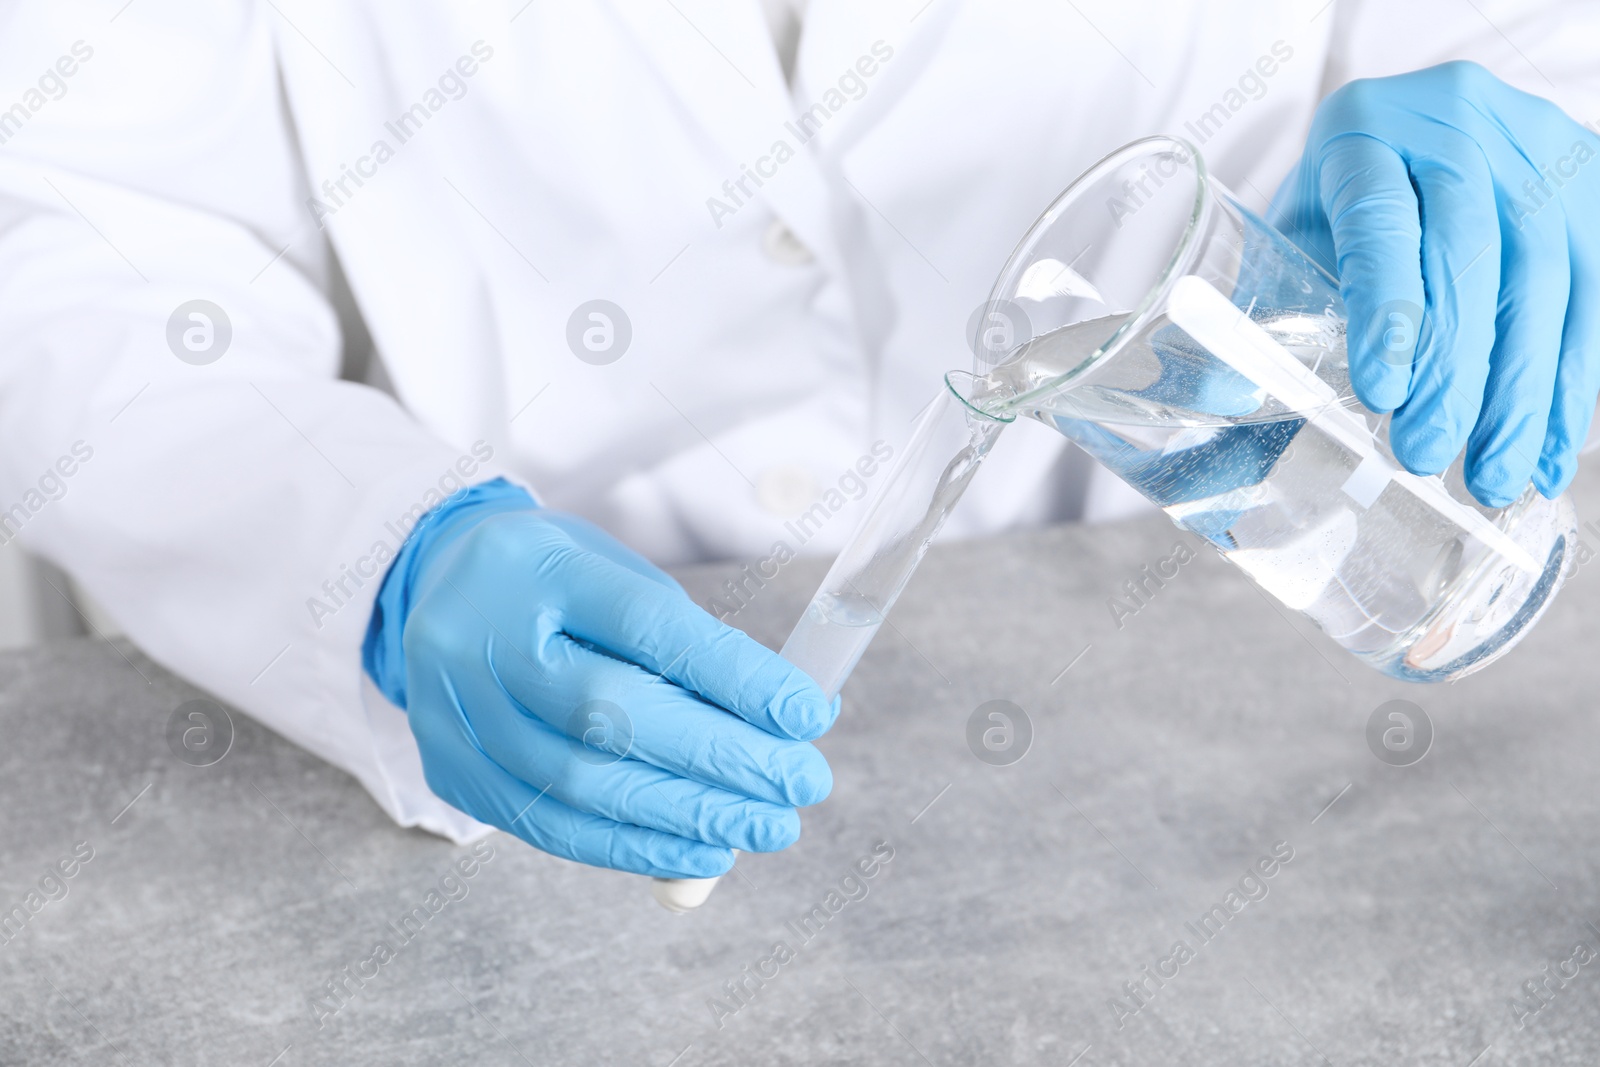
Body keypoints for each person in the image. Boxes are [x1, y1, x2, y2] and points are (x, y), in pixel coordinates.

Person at [0, 0, 1594, 880]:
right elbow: (78, 229)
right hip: (574, 666)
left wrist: (1545, 113)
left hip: (1221, 620)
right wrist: (379, 565)